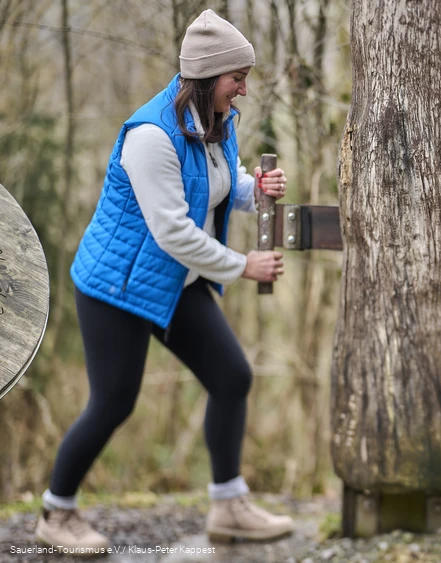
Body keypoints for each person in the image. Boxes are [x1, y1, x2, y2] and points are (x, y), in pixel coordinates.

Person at [36, 9, 294, 551]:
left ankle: (228, 505)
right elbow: (173, 231)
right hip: (116, 286)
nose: (243, 89)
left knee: (231, 377)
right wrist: (242, 264)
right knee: (113, 402)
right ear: (206, 76)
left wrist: (257, 189)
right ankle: (55, 515)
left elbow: (219, 185)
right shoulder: (152, 136)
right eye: (236, 78)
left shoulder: (213, 122)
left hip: (175, 281)